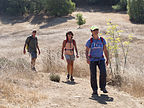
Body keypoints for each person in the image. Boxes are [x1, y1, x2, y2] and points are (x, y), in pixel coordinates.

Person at [85, 26, 109, 96]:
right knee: (93, 75)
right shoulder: (90, 41)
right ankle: (94, 90)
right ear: (91, 32)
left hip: (101, 59)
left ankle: (103, 87)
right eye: (94, 30)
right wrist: (87, 58)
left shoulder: (102, 40)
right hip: (92, 60)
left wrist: (107, 59)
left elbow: (105, 50)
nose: (96, 31)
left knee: (103, 73)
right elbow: (86, 50)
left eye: (97, 30)